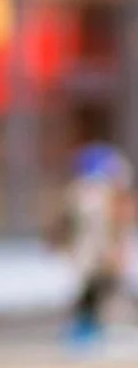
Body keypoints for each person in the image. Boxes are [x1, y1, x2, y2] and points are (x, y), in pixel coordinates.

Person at [62, 141, 131, 344]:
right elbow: (96, 230)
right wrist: (109, 251)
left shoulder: (91, 194)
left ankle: (92, 329)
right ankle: (86, 331)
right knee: (94, 291)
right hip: (94, 255)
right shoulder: (92, 195)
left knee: (99, 291)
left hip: (93, 255)